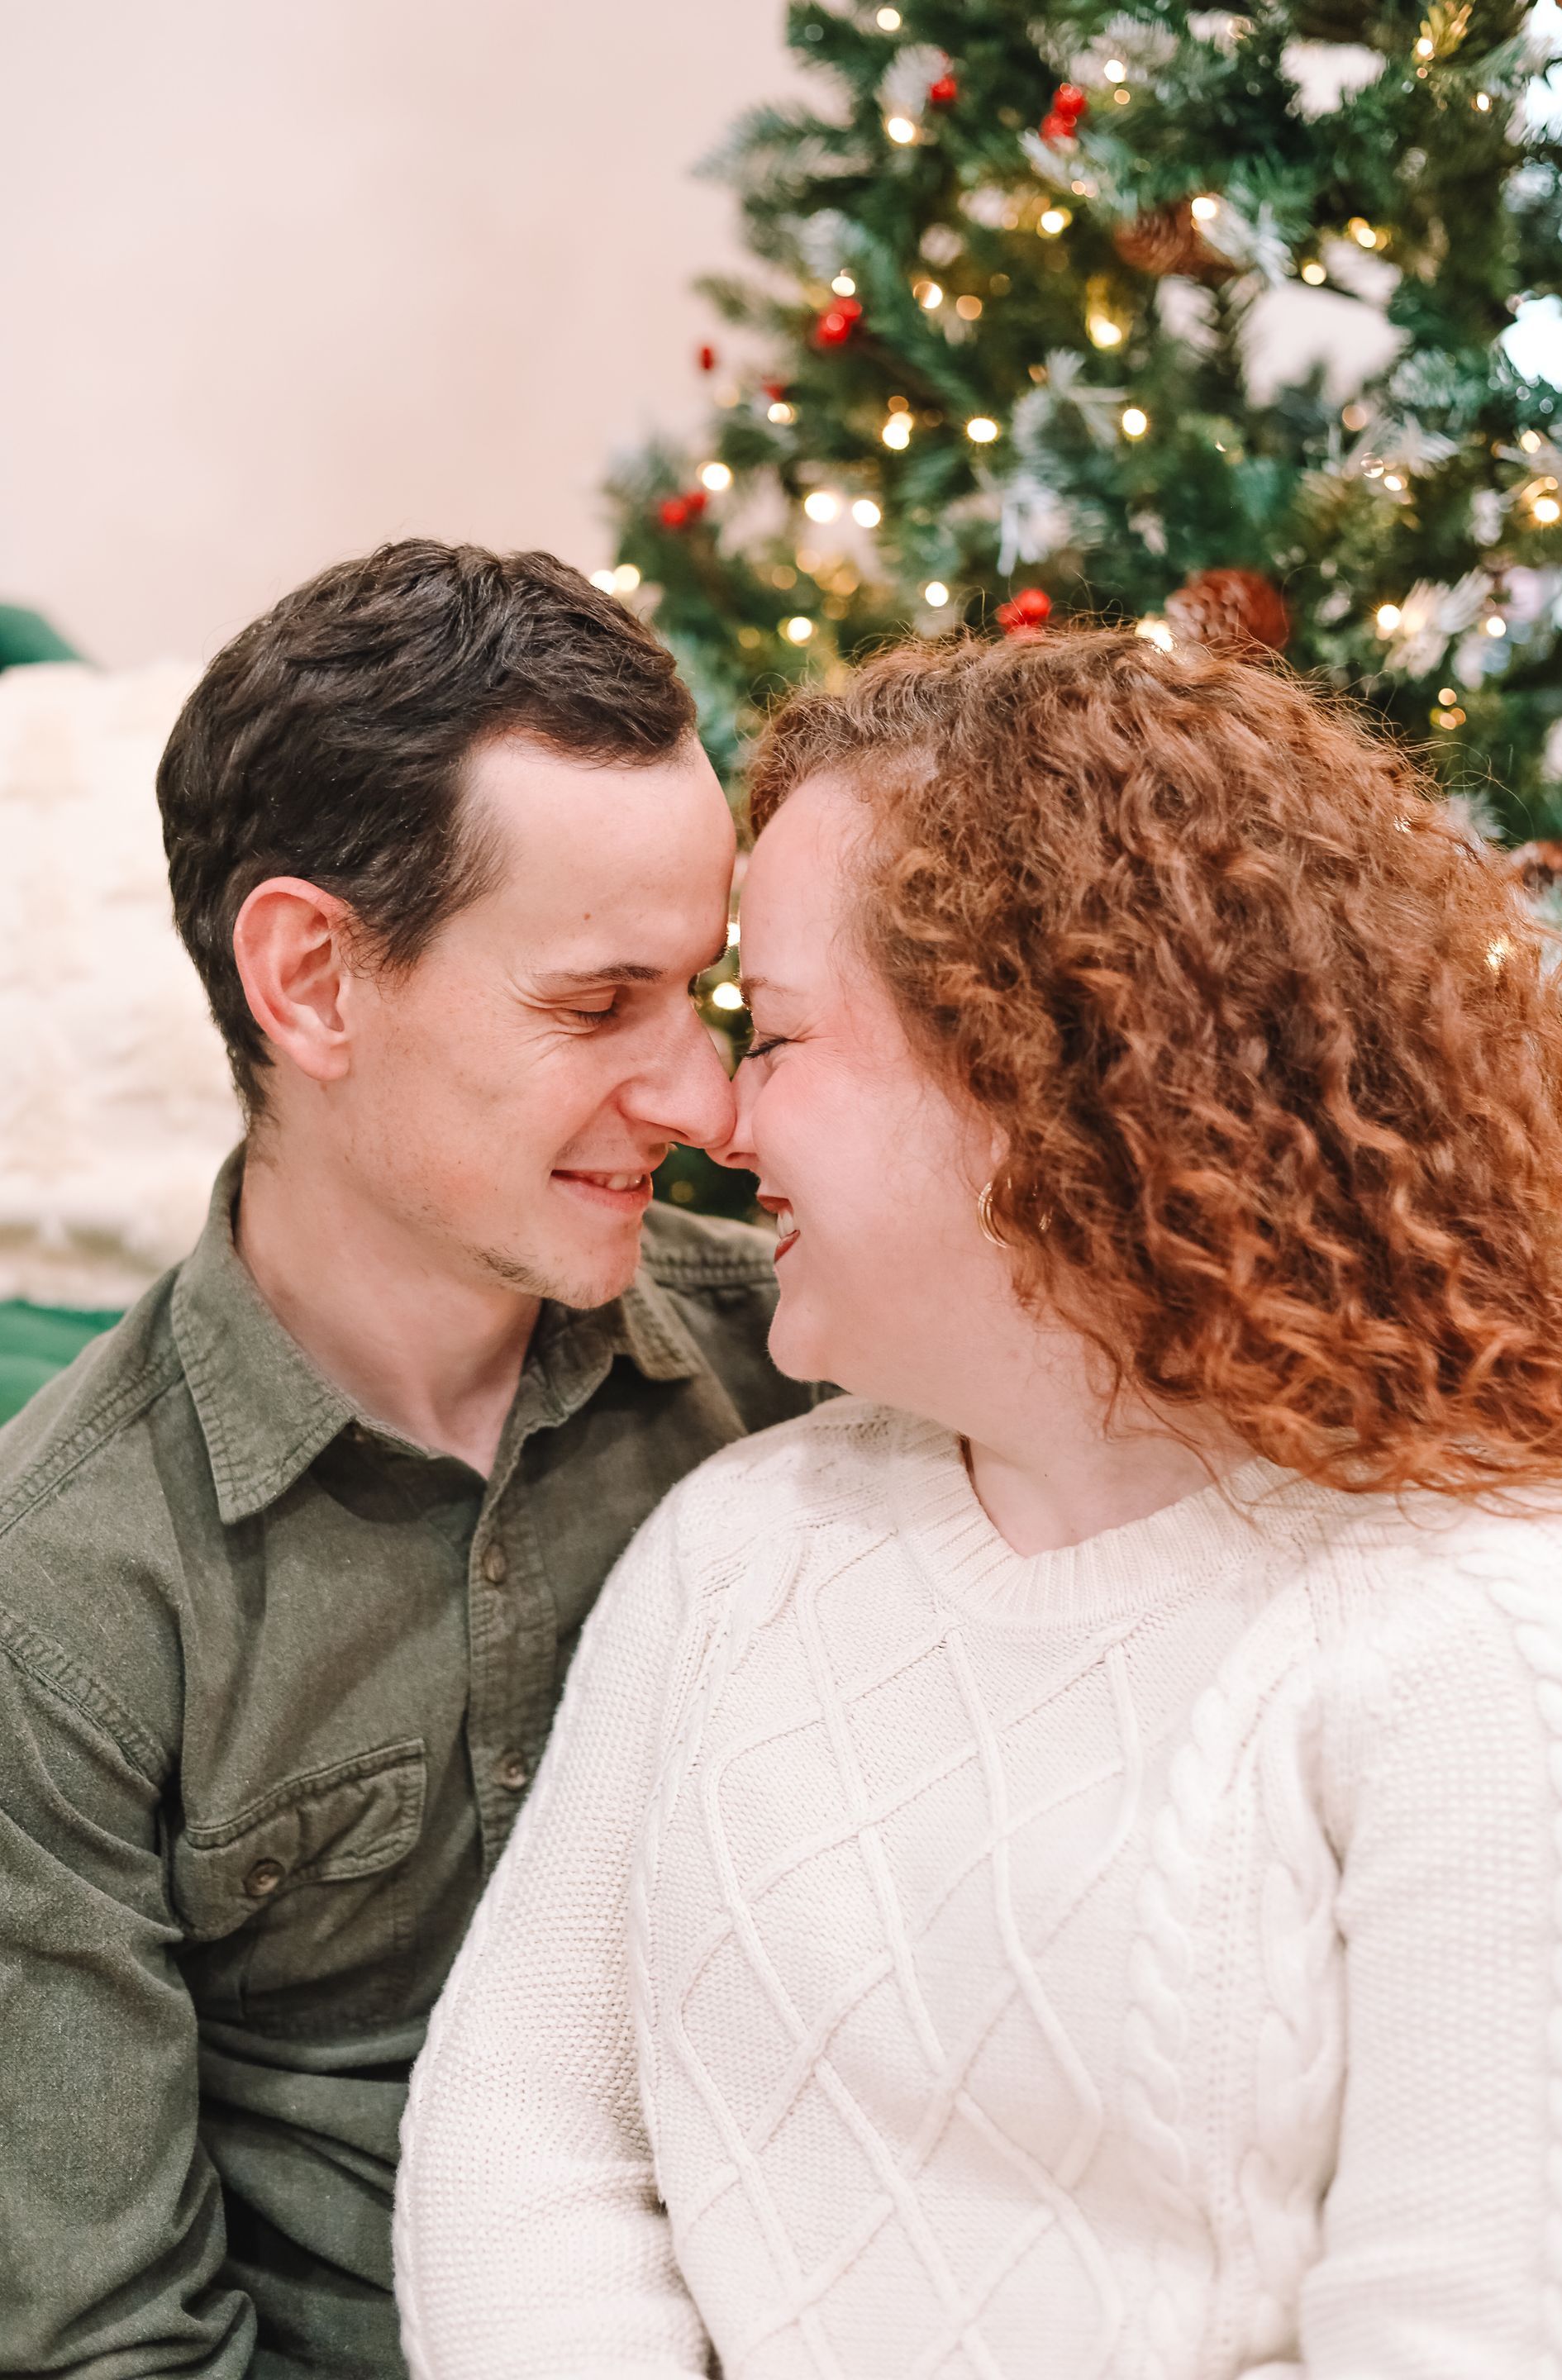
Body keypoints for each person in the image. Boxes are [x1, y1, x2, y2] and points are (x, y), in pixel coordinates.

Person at [395, 627, 1562, 2380]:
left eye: (778, 1034)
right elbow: (526, 2134)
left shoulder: (1480, 1646)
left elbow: (1467, 2324)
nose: (721, 1114)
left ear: (1049, 1079)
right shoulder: (737, 1553)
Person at [0, 540, 817, 2380]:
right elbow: (109, 2341)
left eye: (706, 993)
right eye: (599, 1007)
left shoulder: (812, 1370)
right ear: (312, 982)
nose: (703, 1102)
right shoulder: (58, 1602)